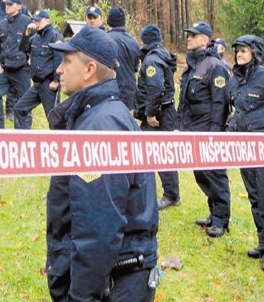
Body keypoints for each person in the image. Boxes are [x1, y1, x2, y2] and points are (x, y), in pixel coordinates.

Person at [45, 27, 159, 302]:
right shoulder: (99, 115)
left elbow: (99, 225)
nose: (59, 70)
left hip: (115, 280)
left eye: (67, 61)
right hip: (116, 274)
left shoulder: (100, 126)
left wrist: (82, 296)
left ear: (89, 70)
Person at [227, 34, 264, 272]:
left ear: (255, 53)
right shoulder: (234, 79)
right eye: (237, 51)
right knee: (254, 197)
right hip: (243, 146)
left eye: (244, 51)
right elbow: (234, 109)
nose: (239, 55)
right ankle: (263, 242)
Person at [176, 21, 231, 237]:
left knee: (214, 174)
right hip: (192, 128)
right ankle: (213, 213)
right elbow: (184, 100)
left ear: (205, 40)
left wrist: (214, 133)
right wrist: (178, 126)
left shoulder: (214, 65)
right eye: (189, 34)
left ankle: (221, 219)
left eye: (194, 35)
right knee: (200, 174)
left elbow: (221, 103)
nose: (189, 38)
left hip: (208, 129)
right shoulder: (192, 64)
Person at [134, 24, 180, 210]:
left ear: (145, 40)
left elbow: (156, 88)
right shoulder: (162, 55)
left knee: (161, 154)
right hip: (164, 110)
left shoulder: (152, 60)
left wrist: (150, 113)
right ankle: (160, 192)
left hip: (159, 113)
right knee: (153, 151)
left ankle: (171, 195)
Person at [12, 10, 63, 129]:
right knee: (19, 108)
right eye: (35, 20)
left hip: (49, 84)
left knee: (53, 119)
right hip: (37, 84)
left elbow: (59, 59)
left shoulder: (55, 36)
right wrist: (26, 33)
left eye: (39, 20)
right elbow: (23, 49)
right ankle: (23, 139)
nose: (36, 23)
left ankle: (59, 143)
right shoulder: (35, 37)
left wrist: (57, 80)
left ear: (47, 21)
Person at [0, 0, 32, 129]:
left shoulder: (27, 22)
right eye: (6, 4)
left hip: (21, 69)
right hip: (6, 68)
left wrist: (32, 58)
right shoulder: (2, 23)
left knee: (23, 101)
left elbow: (36, 41)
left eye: (11, 4)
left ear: (18, 6)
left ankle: (23, 132)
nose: (7, 6)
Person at [106, 6, 141, 110]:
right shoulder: (134, 42)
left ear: (109, 22)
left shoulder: (104, 39)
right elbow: (135, 68)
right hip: (129, 92)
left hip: (109, 91)